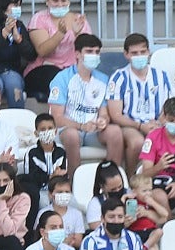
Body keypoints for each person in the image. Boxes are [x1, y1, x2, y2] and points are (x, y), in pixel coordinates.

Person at [49, 34, 125, 169]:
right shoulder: (62, 78)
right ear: (77, 54)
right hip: (68, 129)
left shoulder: (103, 79)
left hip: (93, 131)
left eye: (97, 52)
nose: (94, 55)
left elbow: (104, 112)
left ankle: (112, 177)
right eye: (89, 51)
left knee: (115, 132)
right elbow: (57, 118)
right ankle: (73, 179)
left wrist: (103, 120)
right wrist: (81, 126)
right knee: (72, 136)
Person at [108, 32, 175, 175]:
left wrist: (158, 123)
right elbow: (115, 115)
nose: (139, 56)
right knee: (137, 142)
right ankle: (131, 178)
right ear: (126, 54)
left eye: (142, 52)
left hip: (157, 124)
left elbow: (169, 107)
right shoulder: (119, 77)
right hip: (130, 125)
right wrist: (140, 126)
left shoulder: (162, 76)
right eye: (134, 53)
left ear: (148, 52)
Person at [24, 0, 92, 103]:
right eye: (55, 1)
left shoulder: (78, 20)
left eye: (63, 0)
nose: (60, 4)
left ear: (69, 1)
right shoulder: (39, 18)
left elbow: (88, 51)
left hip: (72, 69)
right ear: (47, 1)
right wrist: (60, 33)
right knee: (59, 78)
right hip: (43, 69)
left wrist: (77, 34)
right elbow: (42, 51)